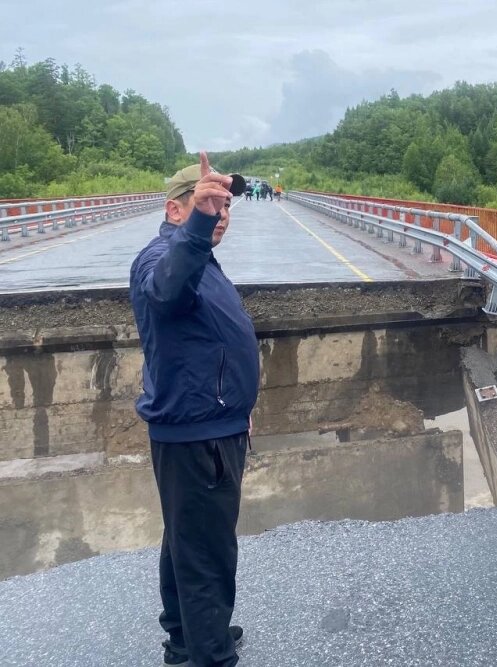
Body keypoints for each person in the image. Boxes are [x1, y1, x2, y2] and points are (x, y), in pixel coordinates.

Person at [130, 152, 260, 666]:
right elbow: (165, 291)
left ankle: (186, 637)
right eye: (207, 205)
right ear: (175, 210)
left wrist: (238, 404)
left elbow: (207, 344)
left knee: (186, 540)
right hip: (197, 433)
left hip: (208, 420)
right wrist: (200, 227)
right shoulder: (162, 257)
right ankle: (210, 655)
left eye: (225, 207)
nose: (221, 215)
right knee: (208, 551)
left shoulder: (198, 255)